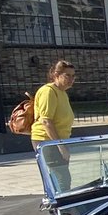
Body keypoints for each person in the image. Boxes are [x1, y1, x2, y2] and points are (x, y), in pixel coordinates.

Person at [30, 60, 76, 190]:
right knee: (62, 178)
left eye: (73, 76)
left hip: (59, 140)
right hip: (47, 140)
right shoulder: (48, 91)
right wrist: (61, 146)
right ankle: (63, 207)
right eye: (67, 75)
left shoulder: (62, 93)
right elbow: (46, 121)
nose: (71, 79)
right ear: (56, 75)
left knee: (60, 177)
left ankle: (59, 203)